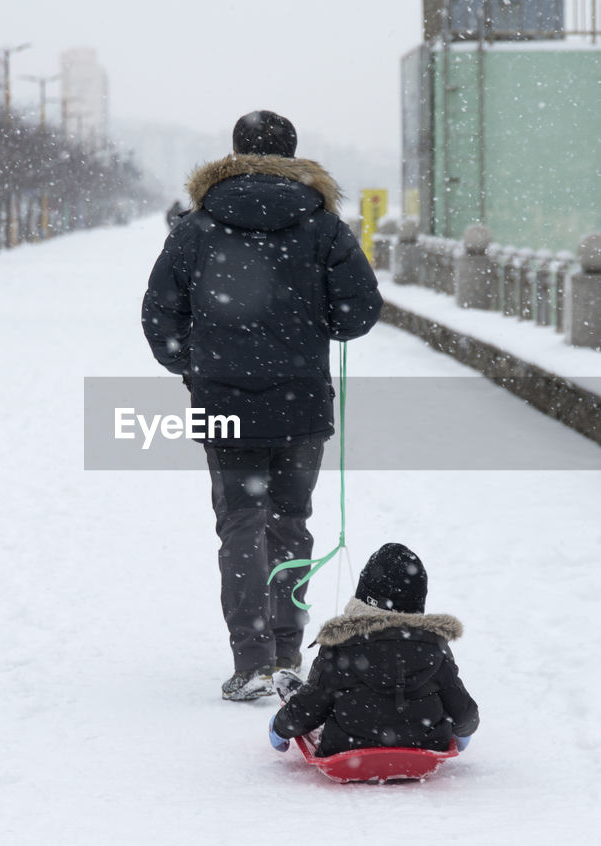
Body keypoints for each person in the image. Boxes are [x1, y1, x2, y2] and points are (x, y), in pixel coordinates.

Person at [142, 110, 382, 701]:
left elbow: (159, 316)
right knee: (290, 525)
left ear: (233, 152)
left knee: (240, 527)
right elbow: (360, 313)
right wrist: (313, 324)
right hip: (300, 401)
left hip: (223, 403)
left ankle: (250, 662)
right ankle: (286, 656)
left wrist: (195, 366)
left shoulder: (196, 227)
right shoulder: (323, 225)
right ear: (295, 156)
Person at [267, 543, 479, 757]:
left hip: (348, 749)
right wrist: (462, 733)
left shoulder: (342, 645)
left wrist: (279, 728)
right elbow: (465, 713)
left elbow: (309, 707)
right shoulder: (434, 647)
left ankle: (293, 693)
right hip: (424, 746)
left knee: (315, 696)